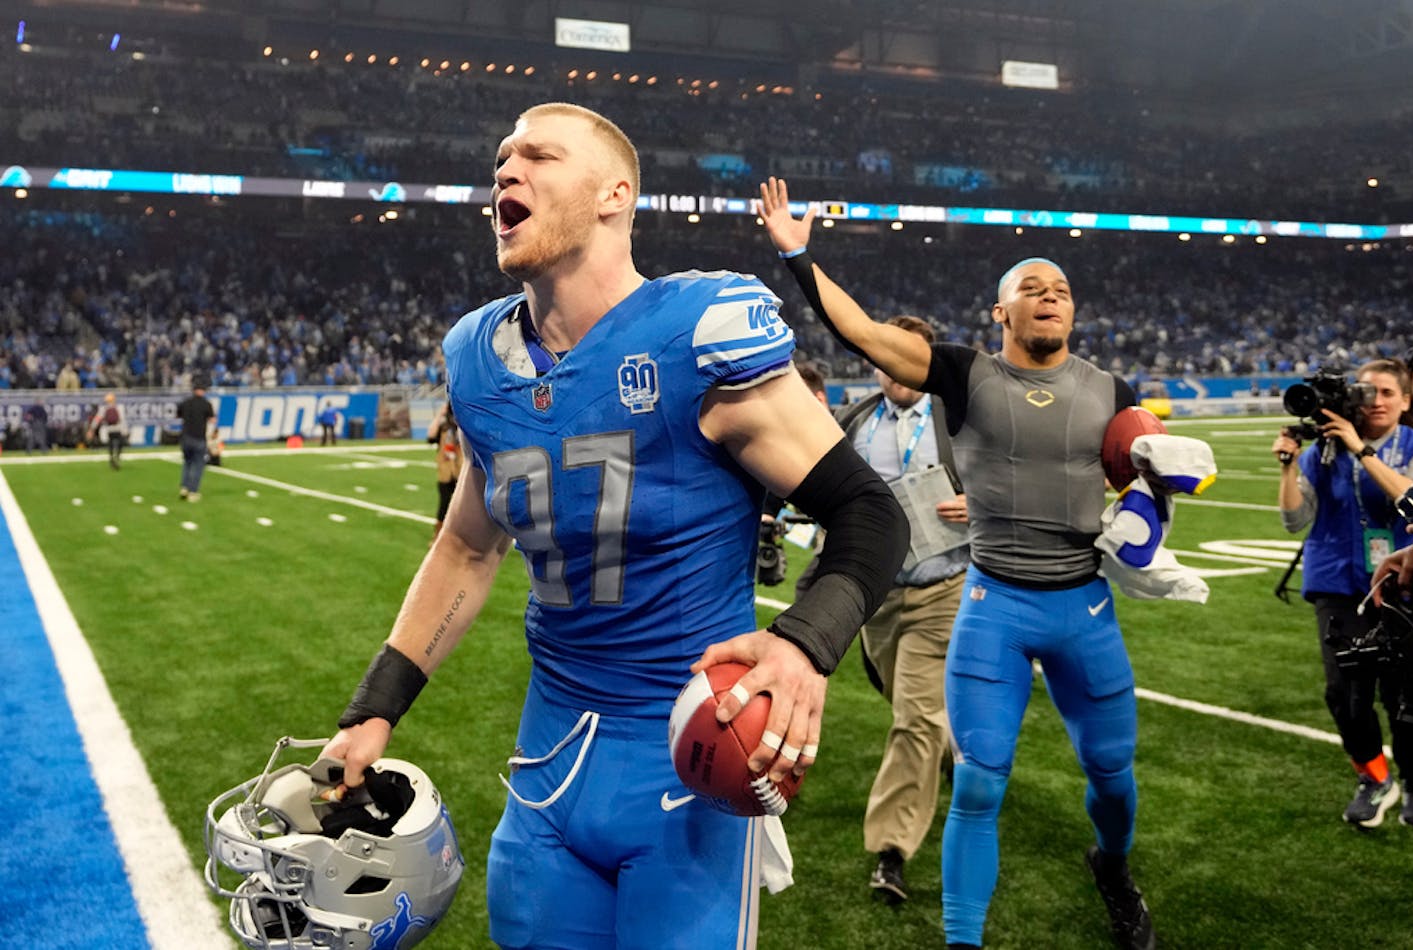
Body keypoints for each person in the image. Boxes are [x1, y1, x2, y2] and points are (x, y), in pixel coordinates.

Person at [321, 104, 908, 950]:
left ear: (613, 194)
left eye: (539, 155)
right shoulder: (478, 359)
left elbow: (868, 510)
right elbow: (466, 546)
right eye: (501, 158)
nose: (506, 170)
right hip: (549, 756)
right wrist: (375, 707)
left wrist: (803, 643)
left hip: (685, 760)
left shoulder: (695, 334)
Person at [758, 176, 1152, 950]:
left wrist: (1150, 506)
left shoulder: (1114, 391)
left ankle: (1112, 864)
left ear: (1074, 310)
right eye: (1030, 288)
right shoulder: (966, 373)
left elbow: (1143, 483)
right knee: (976, 782)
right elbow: (866, 333)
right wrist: (800, 258)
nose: (1050, 296)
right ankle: (961, 939)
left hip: (1085, 608)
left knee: (1112, 775)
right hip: (992, 607)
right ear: (999, 313)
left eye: (1061, 287)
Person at [836, 315, 970, 905]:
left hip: (944, 588)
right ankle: (953, 751)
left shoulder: (959, 417)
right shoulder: (856, 421)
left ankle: (891, 852)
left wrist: (980, 503)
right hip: (879, 595)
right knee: (913, 707)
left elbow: (1010, 478)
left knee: (914, 719)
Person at [1274, 358, 1413, 828]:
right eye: (1367, 392)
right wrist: (1288, 467)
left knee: (1404, 694)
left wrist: (1361, 450)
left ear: (1405, 401)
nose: (1375, 402)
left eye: (1386, 393)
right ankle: (1374, 778)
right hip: (1337, 581)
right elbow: (1295, 520)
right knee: (1344, 693)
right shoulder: (1325, 450)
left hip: (1402, 580)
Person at [426, 399, 462, 541]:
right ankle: (438, 536)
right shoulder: (444, 427)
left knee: (463, 506)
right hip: (446, 471)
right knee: (444, 504)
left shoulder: (463, 426)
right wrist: (439, 415)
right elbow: (430, 436)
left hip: (461, 472)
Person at [177, 380, 216, 500]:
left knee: (187, 463)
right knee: (198, 465)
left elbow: (178, 415)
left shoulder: (185, 403)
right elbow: (212, 420)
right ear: (203, 390)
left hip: (186, 437)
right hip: (199, 438)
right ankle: (193, 491)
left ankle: (184, 487)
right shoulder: (206, 404)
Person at [87, 393, 127, 470]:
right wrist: (124, 430)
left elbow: (97, 419)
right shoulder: (119, 407)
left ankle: (112, 459)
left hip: (109, 429)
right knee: (119, 444)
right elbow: (122, 419)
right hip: (118, 428)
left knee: (111, 445)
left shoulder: (104, 408)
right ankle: (117, 457)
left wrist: (91, 429)